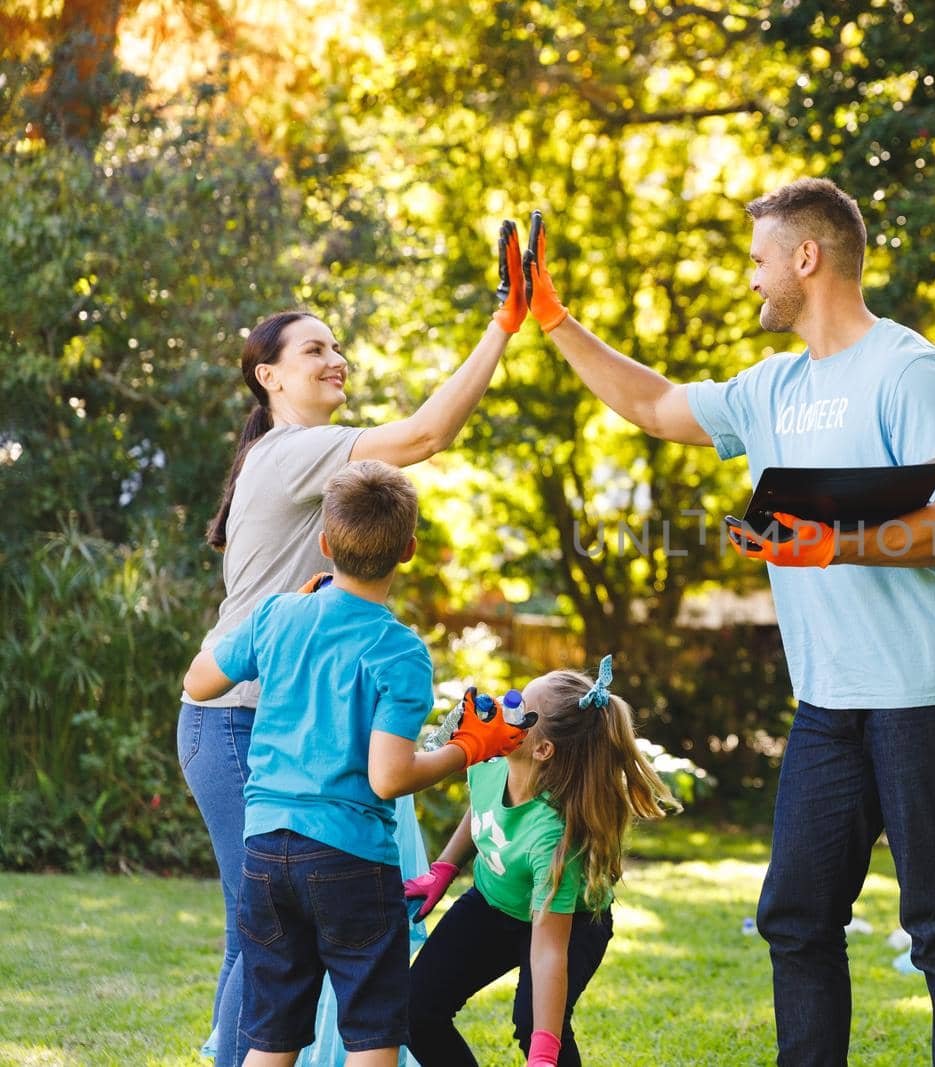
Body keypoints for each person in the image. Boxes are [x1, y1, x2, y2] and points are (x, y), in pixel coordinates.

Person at [518, 179, 935, 1065]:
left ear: (806, 259)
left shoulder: (911, 370)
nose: (750, 280)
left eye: (757, 260)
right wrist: (553, 321)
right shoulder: (773, 386)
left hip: (927, 685)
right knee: (796, 912)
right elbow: (654, 406)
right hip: (832, 695)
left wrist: (836, 545)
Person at [178, 220, 533, 1067]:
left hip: (272, 710)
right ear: (268, 377)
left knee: (267, 932)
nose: (336, 358)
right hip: (236, 717)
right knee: (255, 934)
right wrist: (503, 325)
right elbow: (423, 439)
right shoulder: (293, 450)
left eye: (337, 345)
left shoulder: (303, 458)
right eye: (314, 350)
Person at [182, 460, 529, 1065]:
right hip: (349, 860)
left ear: (323, 544)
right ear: (409, 551)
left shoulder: (275, 616)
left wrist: (283, 615)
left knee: (271, 1032)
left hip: (266, 851)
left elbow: (200, 682)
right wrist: (471, 747)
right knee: (371, 1031)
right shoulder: (399, 650)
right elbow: (388, 777)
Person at [403, 655, 677, 1066]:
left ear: (543, 749)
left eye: (519, 711)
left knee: (536, 1028)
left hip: (571, 922)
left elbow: (549, 950)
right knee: (414, 1011)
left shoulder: (553, 840)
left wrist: (543, 1053)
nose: (502, 712)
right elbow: (483, 807)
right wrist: (445, 867)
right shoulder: (491, 761)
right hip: (494, 903)